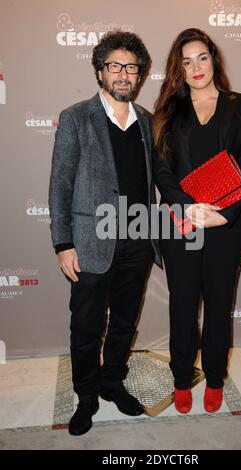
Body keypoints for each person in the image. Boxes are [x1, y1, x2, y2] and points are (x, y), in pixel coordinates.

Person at [49, 30, 161, 436]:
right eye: (114, 66)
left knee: (125, 322)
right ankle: (87, 397)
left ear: (140, 74)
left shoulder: (148, 121)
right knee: (86, 326)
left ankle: (113, 383)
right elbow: (60, 185)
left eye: (131, 67)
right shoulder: (76, 117)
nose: (123, 74)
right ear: (99, 71)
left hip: (138, 241)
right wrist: (64, 243)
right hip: (91, 243)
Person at [153, 28, 241, 414]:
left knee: (218, 305)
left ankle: (215, 379)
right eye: (186, 61)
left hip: (226, 228)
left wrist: (223, 215)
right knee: (182, 305)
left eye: (202, 57)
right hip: (181, 226)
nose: (196, 67)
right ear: (178, 69)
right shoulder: (167, 111)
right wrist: (188, 209)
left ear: (214, 59)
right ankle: (182, 379)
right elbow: (162, 172)